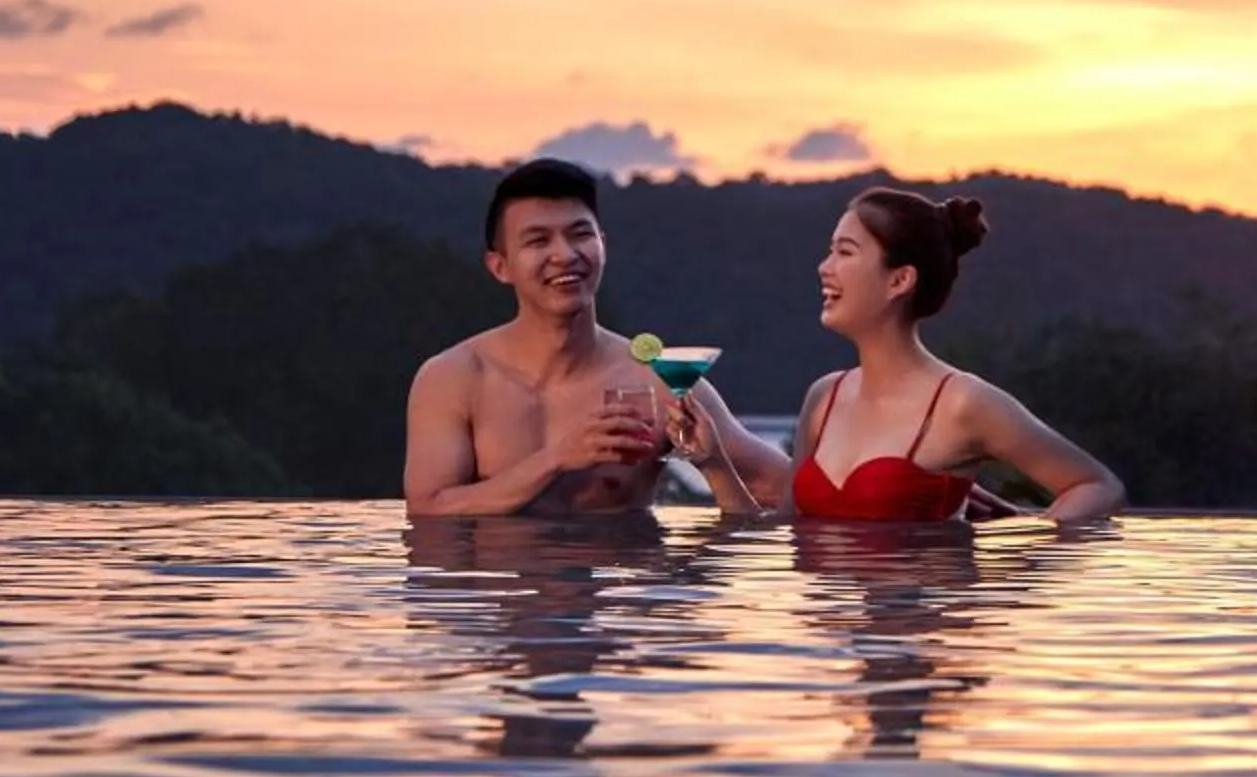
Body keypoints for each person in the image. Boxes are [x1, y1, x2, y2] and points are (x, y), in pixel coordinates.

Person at [405, 158, 792, 517]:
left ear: (602, 243)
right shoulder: (454, 377)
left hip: (627, 586)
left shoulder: (656, 381)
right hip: (501, 588)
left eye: (580, 234)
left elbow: (789, 490)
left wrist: (714, 463)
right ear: (500, 266)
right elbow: (428, 507)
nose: (565, 254)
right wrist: (557, 458)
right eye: (538, 241)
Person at [772, 187, 1124, 523]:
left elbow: (1096, 486)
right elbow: (789, 526)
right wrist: (719, 466)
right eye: (831, 251)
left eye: (845, 252)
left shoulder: (962, 403)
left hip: (922, 585)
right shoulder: (824, 397)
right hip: (821, 588)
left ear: (899, 281)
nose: (824, 266)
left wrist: (1023, 556)